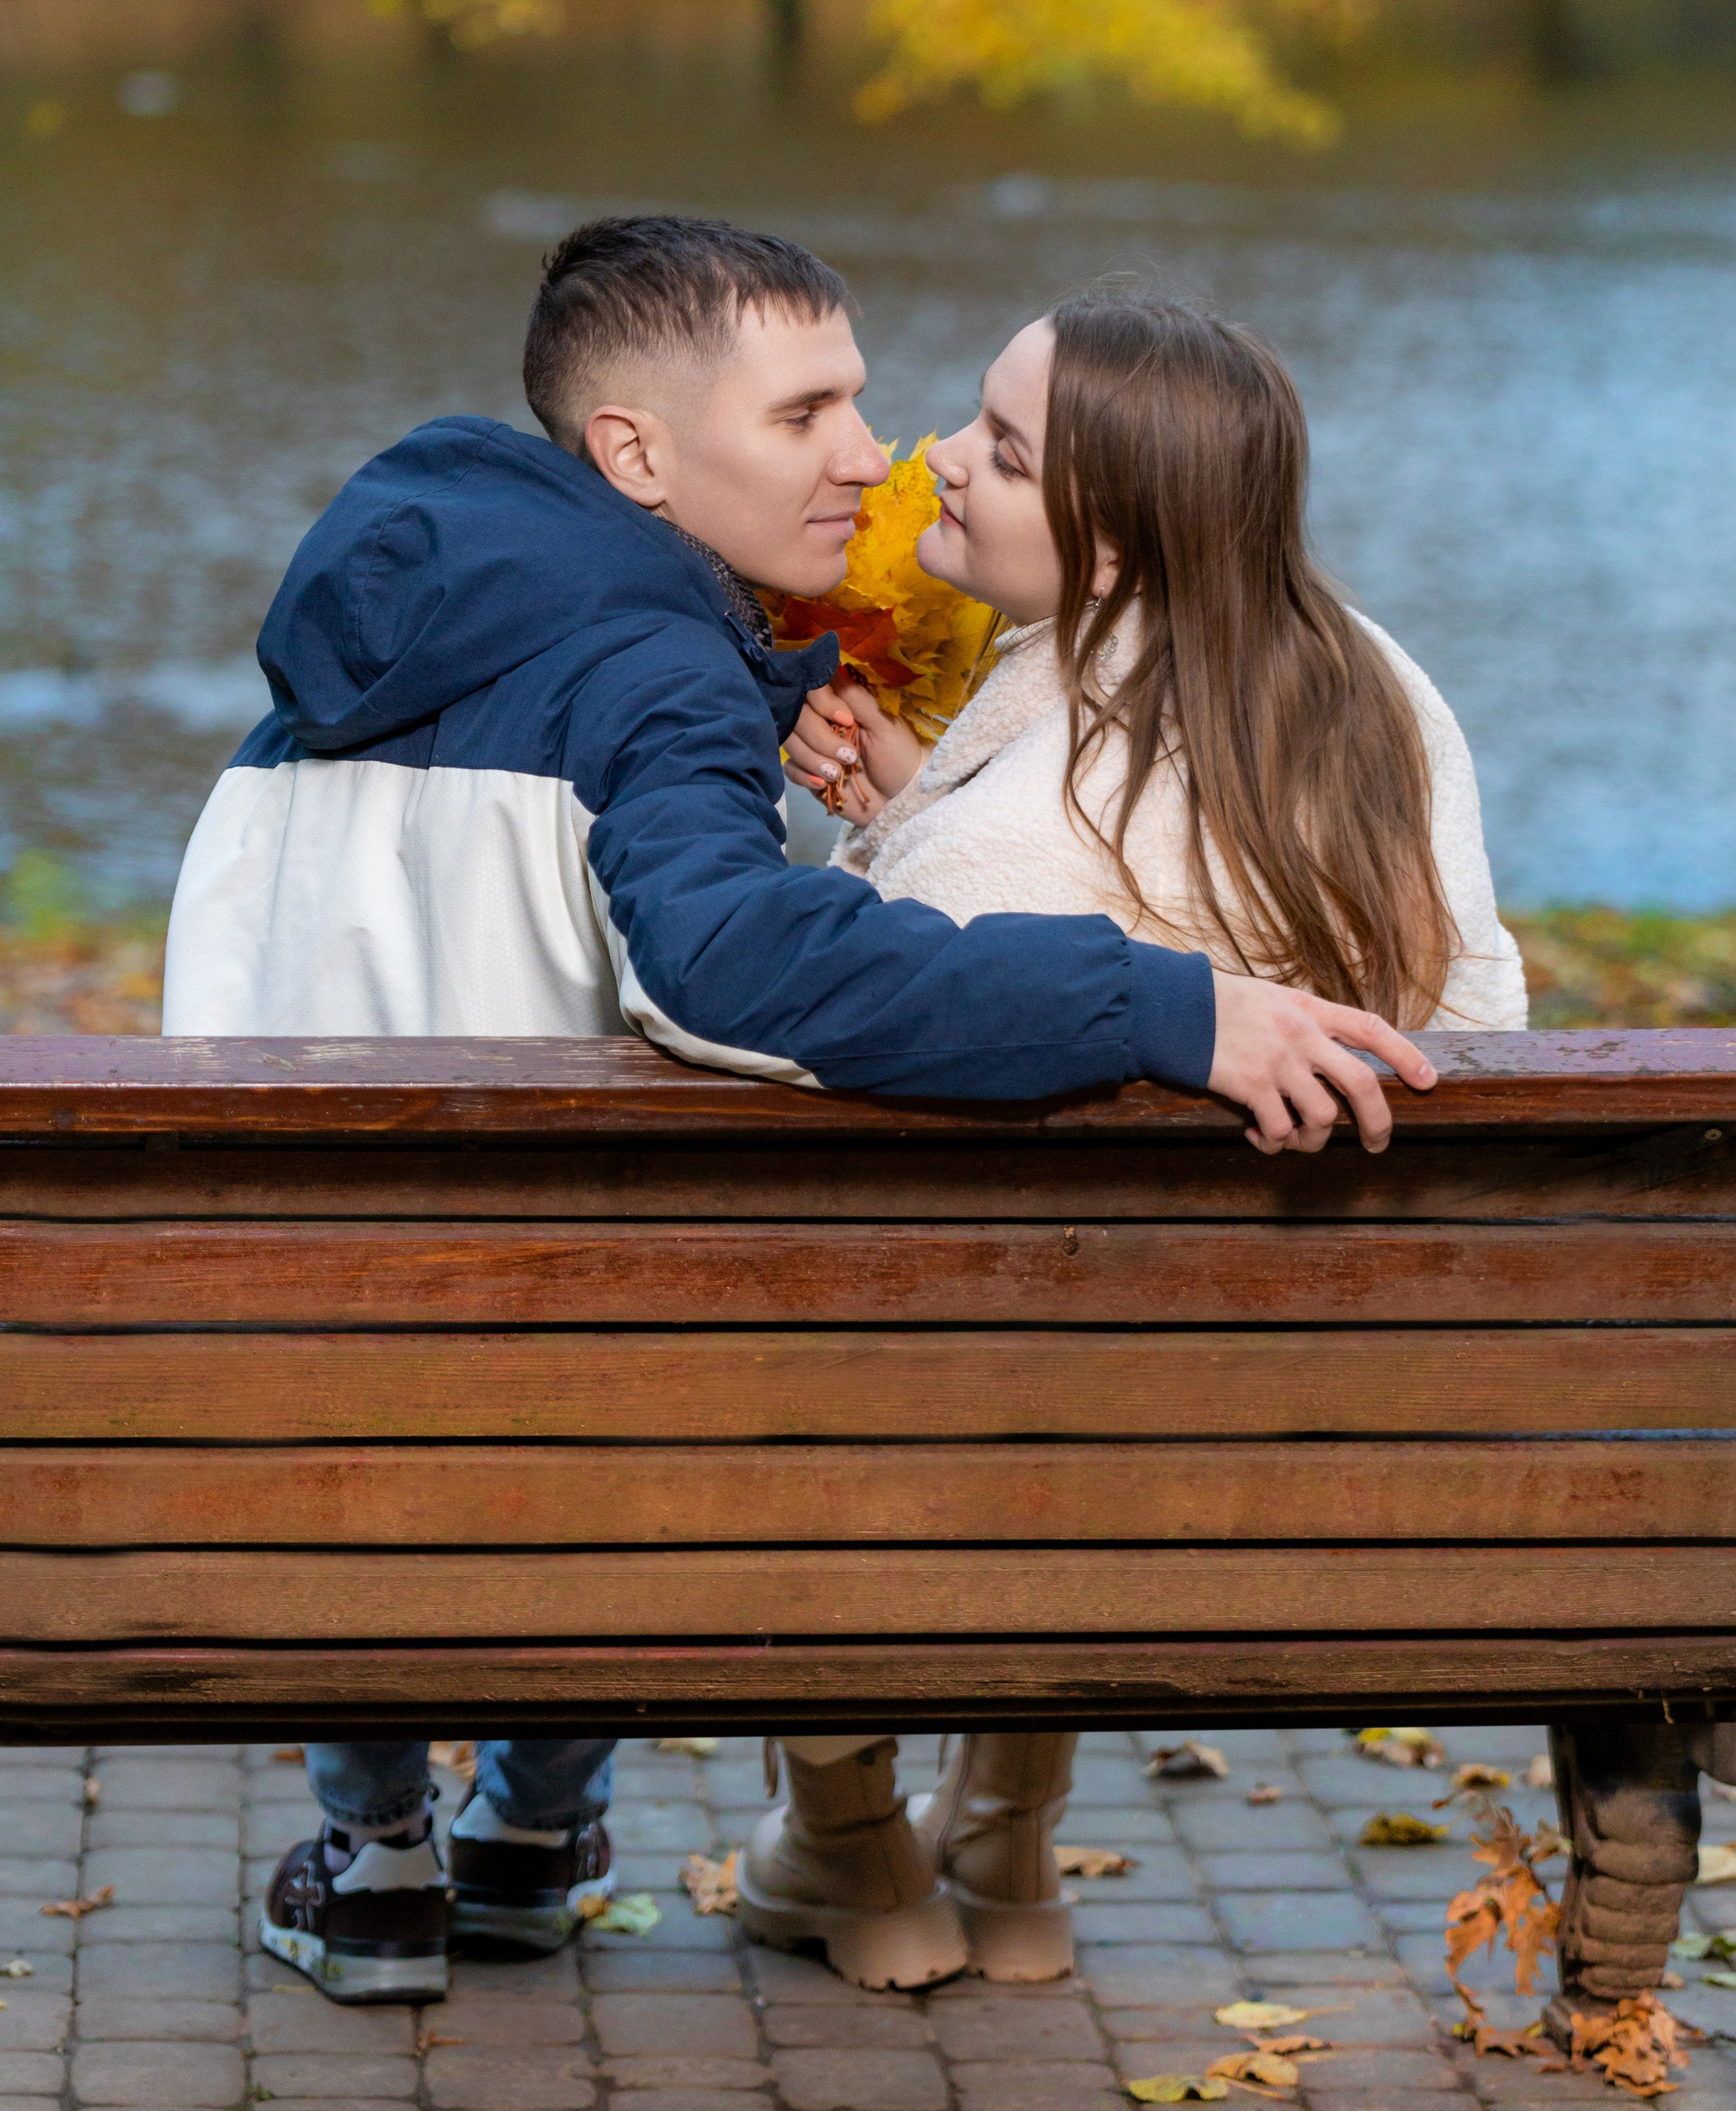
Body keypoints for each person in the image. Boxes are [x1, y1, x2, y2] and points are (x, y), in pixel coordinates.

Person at [162, 218, 1436, 2005]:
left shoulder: (344, 669)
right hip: (547, 1395)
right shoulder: (655, 670)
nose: (873, 454)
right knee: (637, 1322)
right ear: (639, 457)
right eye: (811, 412)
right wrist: (1165, 1000)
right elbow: (730, 966)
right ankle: (527, 1830)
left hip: (257, 1362)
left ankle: (384, 1855)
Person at [761, 288, 1526, 1989]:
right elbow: (1462, 999)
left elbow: (897, 1018)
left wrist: (906, 853)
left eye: (1000, 451)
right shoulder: (1375, 692)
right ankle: (1007, 1837)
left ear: (1107, 554)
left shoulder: (1026, 818)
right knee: (1081, 1350)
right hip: (1279, 1420)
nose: (933, 463)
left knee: (786, 1349)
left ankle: (846, 1833)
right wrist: (912, 807)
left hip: (969, 1450)